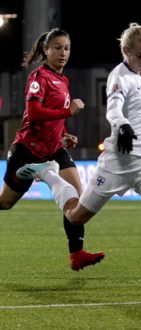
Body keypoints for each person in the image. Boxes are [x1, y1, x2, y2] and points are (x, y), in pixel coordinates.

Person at [17, 23, 141, 294]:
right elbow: (114, 110)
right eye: (139, 55)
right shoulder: (118, 77)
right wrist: (122, 126)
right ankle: (48, 175)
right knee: (76, 217)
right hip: (118, 165)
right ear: (125, 51)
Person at [0, 28, 105, 271]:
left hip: (55, 148)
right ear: (46, 50)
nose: (63, 53)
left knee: (77, 201)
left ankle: (76, 254)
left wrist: (64, 133)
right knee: (5, 203)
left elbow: (55, 119)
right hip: (28, 148)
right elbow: (34, 113)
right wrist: (67, 112)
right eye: (57, 47)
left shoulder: (63, 79)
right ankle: (39, 170)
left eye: (66, 48)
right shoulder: (39, 77)